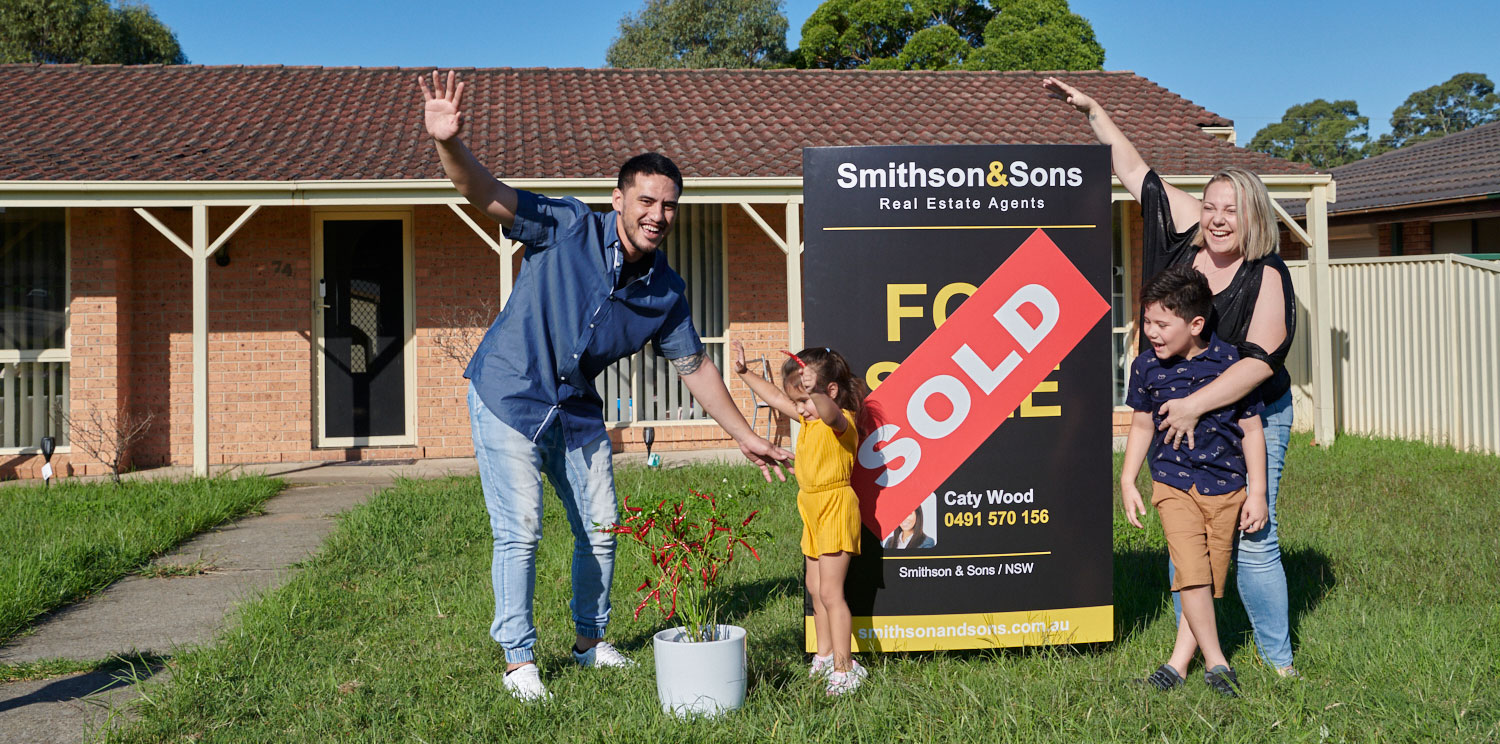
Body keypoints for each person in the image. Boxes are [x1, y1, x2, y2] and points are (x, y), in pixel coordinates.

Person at [419, 70, 793, 702]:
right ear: (617, 199)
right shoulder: (567, 226)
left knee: (600, 523)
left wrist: (747, 436)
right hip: (508, 392)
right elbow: (485, 194)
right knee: (522, 529)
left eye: (669, 204)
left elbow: (694, 367)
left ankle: (591, 642)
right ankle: (518, 659)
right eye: (646, 200)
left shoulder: (664, 292)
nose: (658, 214)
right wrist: (448, 143)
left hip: (574, 406)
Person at [1045, 77, 1300, 677]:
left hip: (1249, 416)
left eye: (1229, 211)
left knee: (1253, 537)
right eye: (1209, 207)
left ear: (1253, 216)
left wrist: (1192, 407)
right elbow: (1136, 172)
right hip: (1175, 409)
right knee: (1182, 529)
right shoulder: (1189, 236)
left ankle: (1279, 662)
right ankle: (1191, 655)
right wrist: (1094, 113)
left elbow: (1258, 366)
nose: (1216, 219)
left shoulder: (1267, 276)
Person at [1121, 266, 1268, 697]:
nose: (1151, 331)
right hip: (1172, 483)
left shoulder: (1232, 365)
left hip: (1226, 487)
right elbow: (1143, 425)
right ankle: (1218, 661)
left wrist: (1257, 492)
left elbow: (1253, 430)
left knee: (1206, 579)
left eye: (1161, 324)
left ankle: (1178, 662)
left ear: (1196, 324)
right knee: (1190, 569)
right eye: (1146, 321)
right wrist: (1128, 480)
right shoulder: (1146, 366)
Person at [732, 342, 869, 696]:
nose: (801, 409)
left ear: (830, 392)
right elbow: (778, 399)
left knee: (830, 591)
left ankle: (846, 668)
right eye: (801, 402)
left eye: (806, 400)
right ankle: (824, 656)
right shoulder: (808, 419)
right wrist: (746, 374)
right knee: (813, 589)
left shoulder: (841, 422)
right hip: (811, 507)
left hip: (835, 507)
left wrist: (816, 392)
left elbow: (830, 414)